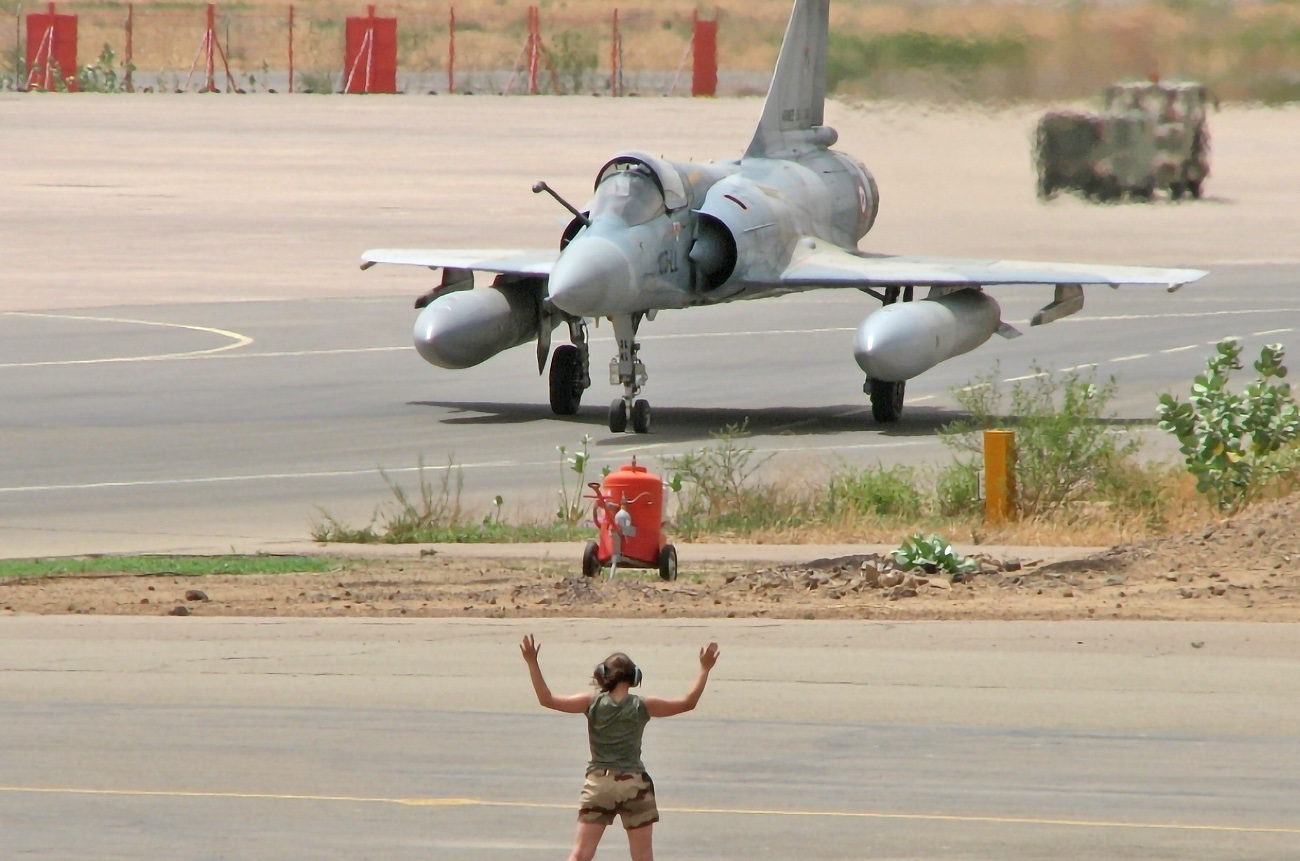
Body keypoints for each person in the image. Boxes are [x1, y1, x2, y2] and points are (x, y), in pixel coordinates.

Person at [519, 634, 721, 861]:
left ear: (603, 675)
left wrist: (532, 662)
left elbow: (547, 699)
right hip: (634, 784)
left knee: (580, 854)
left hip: (599, 783)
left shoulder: (591, 702)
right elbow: (688, 702)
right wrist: (704, 668)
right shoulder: (642, 705)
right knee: (643, 856)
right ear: (634, 677)